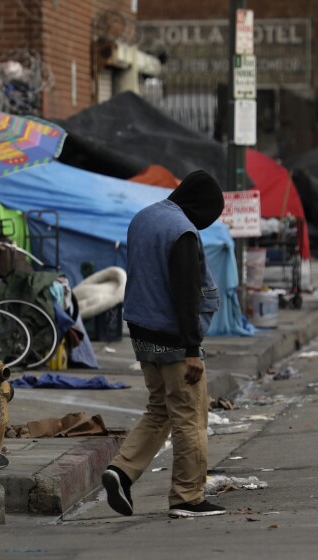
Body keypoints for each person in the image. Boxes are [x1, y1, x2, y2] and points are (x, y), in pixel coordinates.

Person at [102, 170, 226, 519]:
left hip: (143, 334)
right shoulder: (182, 232)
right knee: (190, 417)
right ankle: (187, 496)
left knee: (160, 408)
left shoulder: (145, 217)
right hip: (175, 340)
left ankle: (121, 471)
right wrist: (192, 350)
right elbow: (186, 294)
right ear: (200, 207)